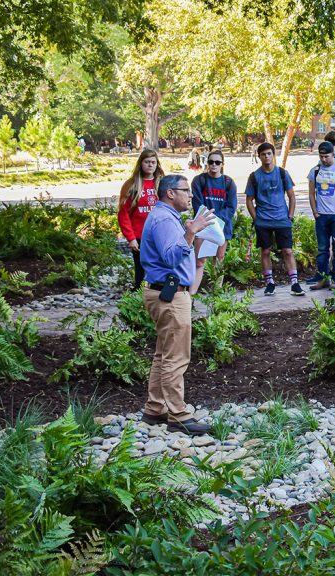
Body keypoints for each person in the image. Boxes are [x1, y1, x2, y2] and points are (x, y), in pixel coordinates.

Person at [138, 174, 218, 436]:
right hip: (170, 296)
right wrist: (190, 231)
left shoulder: (166, 217)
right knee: (176, 356)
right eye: (185, 190)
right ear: (170, 193)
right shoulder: (163, 220)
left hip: (166, 292)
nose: (190, 195)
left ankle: (155, 408)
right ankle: (179, 415)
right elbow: (172, 257)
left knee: (163, 353)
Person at [245, 142, 303, 296]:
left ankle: (295, 283)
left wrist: (290, 216)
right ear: (259, 157)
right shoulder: (254, 176)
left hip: (282, 219)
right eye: (263, 154)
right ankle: (270, 283)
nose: (267, 157)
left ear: (273, 155)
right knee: (265, 251)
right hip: (263, 220)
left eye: (269, 154)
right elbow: (249, 200)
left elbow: (291, 196)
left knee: (288, 251)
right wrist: (256, 218)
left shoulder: (283, 173)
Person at [189, 149, 238, 293]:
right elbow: (197, 204)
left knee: (219, 257)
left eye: (217, 162)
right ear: (207, 163)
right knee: (200, 261)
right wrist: (209, 220)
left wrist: (217, 219)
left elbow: (231, 207)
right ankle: (192, 294)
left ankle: (217, 290)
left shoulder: (228, 183)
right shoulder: (199, 180)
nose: (214, 165)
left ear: (222, 164)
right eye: (211, 162)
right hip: (203, 226)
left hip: (222, 226)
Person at [307, 141, 335, 290]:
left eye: (326, 156)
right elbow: (311, 194)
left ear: (333, 154)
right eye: (321, 156)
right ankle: (323, 278)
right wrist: (315, 212)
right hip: (321, 216)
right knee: (322, 249)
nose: (324, 159)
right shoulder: (315, 170)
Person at [118, 149, 164, 290]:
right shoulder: (132, 185)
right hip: (139, 235)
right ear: (141, 163)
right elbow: (123, 213)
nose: (150, 165)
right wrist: (130, 237)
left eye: (153, 162)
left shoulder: (162, 183)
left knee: (160, 265)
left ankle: (158, 292)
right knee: (141, 267)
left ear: (157, 164)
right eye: (147, 162)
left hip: (159, 234)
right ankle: (139, 295)